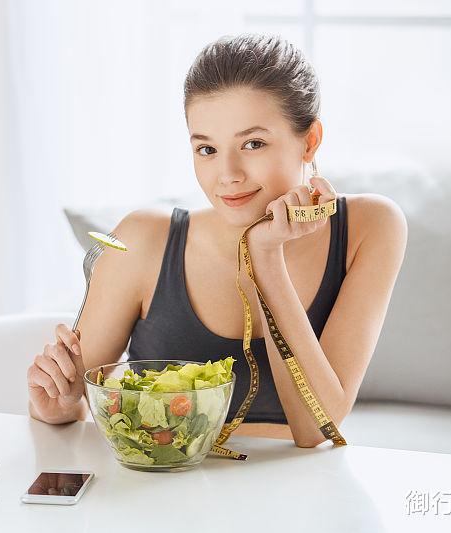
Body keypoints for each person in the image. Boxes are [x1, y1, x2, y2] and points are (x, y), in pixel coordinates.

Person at [26, 33, 407, 448]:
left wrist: (265, 256)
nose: (227, 174)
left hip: (296, 498)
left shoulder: (371, 227)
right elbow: (78, 406)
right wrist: (58, 407)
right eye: (206, 149)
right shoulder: (143, 240)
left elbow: (316, 429)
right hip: (158, 492)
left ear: (309, 141)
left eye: (253, 143)